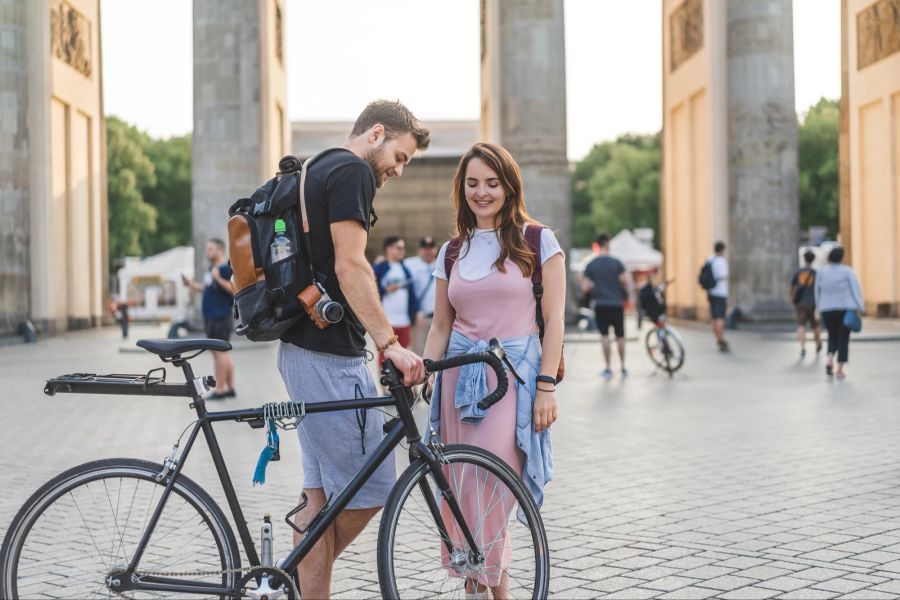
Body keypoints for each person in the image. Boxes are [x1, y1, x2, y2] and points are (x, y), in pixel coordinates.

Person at [276, 100, 429, 599]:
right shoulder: (350, 171)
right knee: (373, 489)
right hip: (326, 359)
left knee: (317, 498)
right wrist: (391, 344)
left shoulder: (316, 165)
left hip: (307, 352)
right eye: (400, 156)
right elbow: (351, 266)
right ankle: (287, 582)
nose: (399, 171)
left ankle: (296, 586)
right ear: (376, 133)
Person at [424, 142, 563, 599]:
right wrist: (425, 372)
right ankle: (481, 589)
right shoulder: (451, 250)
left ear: (509, 185)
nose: (482, 192)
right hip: (457, 379)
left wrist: (546, 387)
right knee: (462, 488)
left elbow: (555, 320)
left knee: (494, 485)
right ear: (461, 189)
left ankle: (483, 589)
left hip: (511, 378)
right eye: (472, 183)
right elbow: (441, 323)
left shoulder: (538, 241)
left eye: (492, 182)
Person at [182, 239, 236, 399]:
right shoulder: (212, 269)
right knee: (222, 353)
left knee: (218, 353)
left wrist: (218, 278)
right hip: (213, 316)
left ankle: (220, 389)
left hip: (220, 315)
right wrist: (192, 284)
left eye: (210, 248)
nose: (207, 251)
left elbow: (234, 290)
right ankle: (230, 388)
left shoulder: (225, 268)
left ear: (220, 250)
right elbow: (208, 289)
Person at [581, 233, 633, 379]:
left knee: (605, 336)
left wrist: (593, 285)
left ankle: (608, 368)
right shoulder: (617, 263)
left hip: (600, 305)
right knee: (620, 336)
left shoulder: (591, 265)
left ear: (597, 245)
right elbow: (627, 282)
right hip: (616, 304)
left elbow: (584, 287)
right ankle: (623, 368)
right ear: (608, 245)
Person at [815, 246, 864, 379]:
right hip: (845, 308)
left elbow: (817, 291)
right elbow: (855, 290)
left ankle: (830, 357)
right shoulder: (847, 271)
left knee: (832, 335)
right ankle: (840, 369)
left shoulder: (822, 272)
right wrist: (861, 306)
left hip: (827, 309)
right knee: (843, 338)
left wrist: (818, 308)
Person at [372, 236, 419, 362]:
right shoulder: (380, 268)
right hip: (386, 320)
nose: (402, 251)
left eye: (403, 248)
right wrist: (385, 290)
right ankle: (385, 381)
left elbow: (412, 294)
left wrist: (416, 313)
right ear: (389, 249)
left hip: (404, 320)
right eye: (399, 248)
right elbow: (369, 289)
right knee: (385, 356)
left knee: (403, 355)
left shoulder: (405, 269)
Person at [405, 236, 439, 354]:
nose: (428, 251)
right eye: (425, 248)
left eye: (431, 248)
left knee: (437, 352)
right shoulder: (410, 264)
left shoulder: (441, 264)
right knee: (419, 351)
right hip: (421, 317)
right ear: (419, 250)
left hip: (438, 317)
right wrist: (416, 310)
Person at [789, 250, 822, 358]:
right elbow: (820, 289)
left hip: (800, 303)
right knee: (815, 325)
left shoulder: (798, 272)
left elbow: (791, 287)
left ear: (804, 259)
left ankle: (803, 347)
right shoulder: (815, 273)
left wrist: (792, 298)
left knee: (801, 326)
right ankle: (818, 344)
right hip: (813, 303)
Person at [707, 241, 730, 352]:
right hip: (720, 293)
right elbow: (723, 276)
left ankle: (717, 338)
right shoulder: (722, 261)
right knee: (720, 317)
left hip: (711, 292)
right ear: (722, 250)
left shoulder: (710, 259)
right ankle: (721, 339)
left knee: (714, 316)